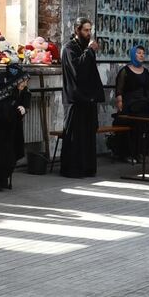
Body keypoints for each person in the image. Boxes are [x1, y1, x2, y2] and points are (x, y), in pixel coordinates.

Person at [59, 19, 102, 178]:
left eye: (90, 30)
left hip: (88, 98)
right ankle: (72, 169)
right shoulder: (69, 48)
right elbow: (77, 71)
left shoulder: (84, 47)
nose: (89, 33)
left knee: (88, 134)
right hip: (75, 99)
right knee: (75, 135)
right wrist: (90, 51)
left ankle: (87, 168)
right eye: (85, 30)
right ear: (77, 30)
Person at [113, 46, 149, 162]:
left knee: (144, 124)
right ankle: (128, 153)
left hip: (143, 104)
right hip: (129, 105)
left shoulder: (146, 72)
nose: (142, 55)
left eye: (143, 53)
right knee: (133, 123)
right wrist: (120, 105)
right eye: (139, 53)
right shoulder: (125, 71)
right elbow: (119, 90)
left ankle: (140, 152)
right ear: (133, 55)